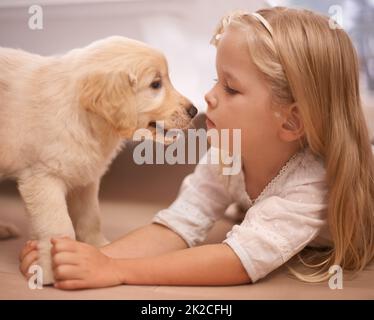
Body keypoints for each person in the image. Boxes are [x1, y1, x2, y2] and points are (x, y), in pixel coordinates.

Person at [19, 7, 374, 290]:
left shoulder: (310, 187)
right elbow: (178, 225)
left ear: (290, 122)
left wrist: (116, 269)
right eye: (216, 79)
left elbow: (237, 261)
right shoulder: (227, 154)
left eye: (231, 88)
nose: (208, 96)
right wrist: (82, 258)